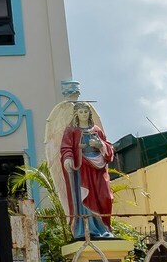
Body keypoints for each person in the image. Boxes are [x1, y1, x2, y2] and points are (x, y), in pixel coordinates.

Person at [57, 102, 114, 239]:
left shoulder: (96, 130)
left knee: (104, 196)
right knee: (85, 196)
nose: (83, 114)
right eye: (81, 112)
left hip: (98, 169)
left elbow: (109, 147)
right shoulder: (71, 131)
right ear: (76, 114)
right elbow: (66, 148)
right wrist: (69, 157)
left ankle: (103, 228)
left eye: (86, 112)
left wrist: (99, 144)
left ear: (89, 113)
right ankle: (87, 229)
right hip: (82, 169)